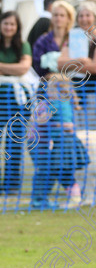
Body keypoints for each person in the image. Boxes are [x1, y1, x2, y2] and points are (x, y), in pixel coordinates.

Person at [0, 11, 32, 196]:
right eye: (5, 24)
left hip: (18, 102)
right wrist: (10, 70)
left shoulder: (23, 46)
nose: (8, 27)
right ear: (0, 25)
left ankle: (11, 185)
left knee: (14, 143)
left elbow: (23, 68)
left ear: (17, 27)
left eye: (12, 24)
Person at [28, 74, 82, 209]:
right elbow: (40, 121)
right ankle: (39, 200)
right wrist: (61, 125)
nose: (47, 91)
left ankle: (41, 199)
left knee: (48, 170)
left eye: (49, 88)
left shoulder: (59, 102)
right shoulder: (52, 103)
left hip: (47, 143)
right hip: (38, 143)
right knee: (44, 170)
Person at [32, 0, 76, 79]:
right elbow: (37, 64)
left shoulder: (75, 39)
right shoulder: (43, 40)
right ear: (52, 17)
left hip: (74, 83)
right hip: (48, 84)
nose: (58, 18)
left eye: (62, 15)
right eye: (55, 15)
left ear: (69, 18)